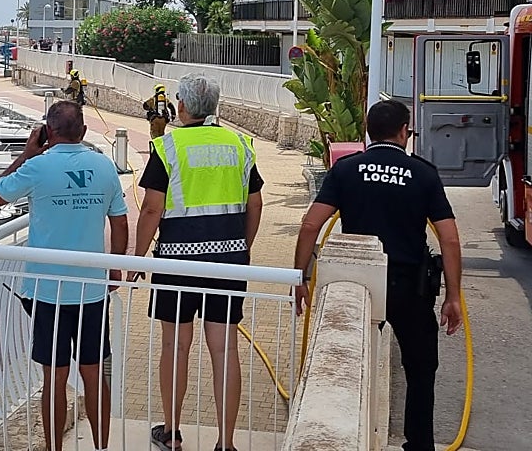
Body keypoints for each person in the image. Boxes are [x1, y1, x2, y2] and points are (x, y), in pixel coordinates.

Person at [293, 100, 462, 451]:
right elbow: (449, 238)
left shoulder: (346, 169)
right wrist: (453, 297)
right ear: (404, 132)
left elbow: (311, 224)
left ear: (368, 131)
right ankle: (419, 445)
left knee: (350, 366)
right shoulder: (424, 173)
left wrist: (302, 277)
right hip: (409, 288)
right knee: (420, 368)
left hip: (359, 283)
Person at [134, 74, 263, 451]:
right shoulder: (240, 144)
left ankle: (171, 433)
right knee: (225, 350)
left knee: (175, 346)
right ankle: (226, 442)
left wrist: (137, 258)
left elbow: (152, 209)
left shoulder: (167, 146)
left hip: (176, 261)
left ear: (182, 106)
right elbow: (255, 205)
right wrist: (242, 249)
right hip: (228, 262)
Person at [0, 101, 129, 451]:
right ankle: (101, 447)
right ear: (83, 132)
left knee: (54, 379)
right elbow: (120, 220)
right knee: (95, 376)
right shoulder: (104, 165)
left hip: (46, 291)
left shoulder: (37, 167)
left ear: (47, 132)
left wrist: (26, 153)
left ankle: (55, 448)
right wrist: (114, 267)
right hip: (92, 291)